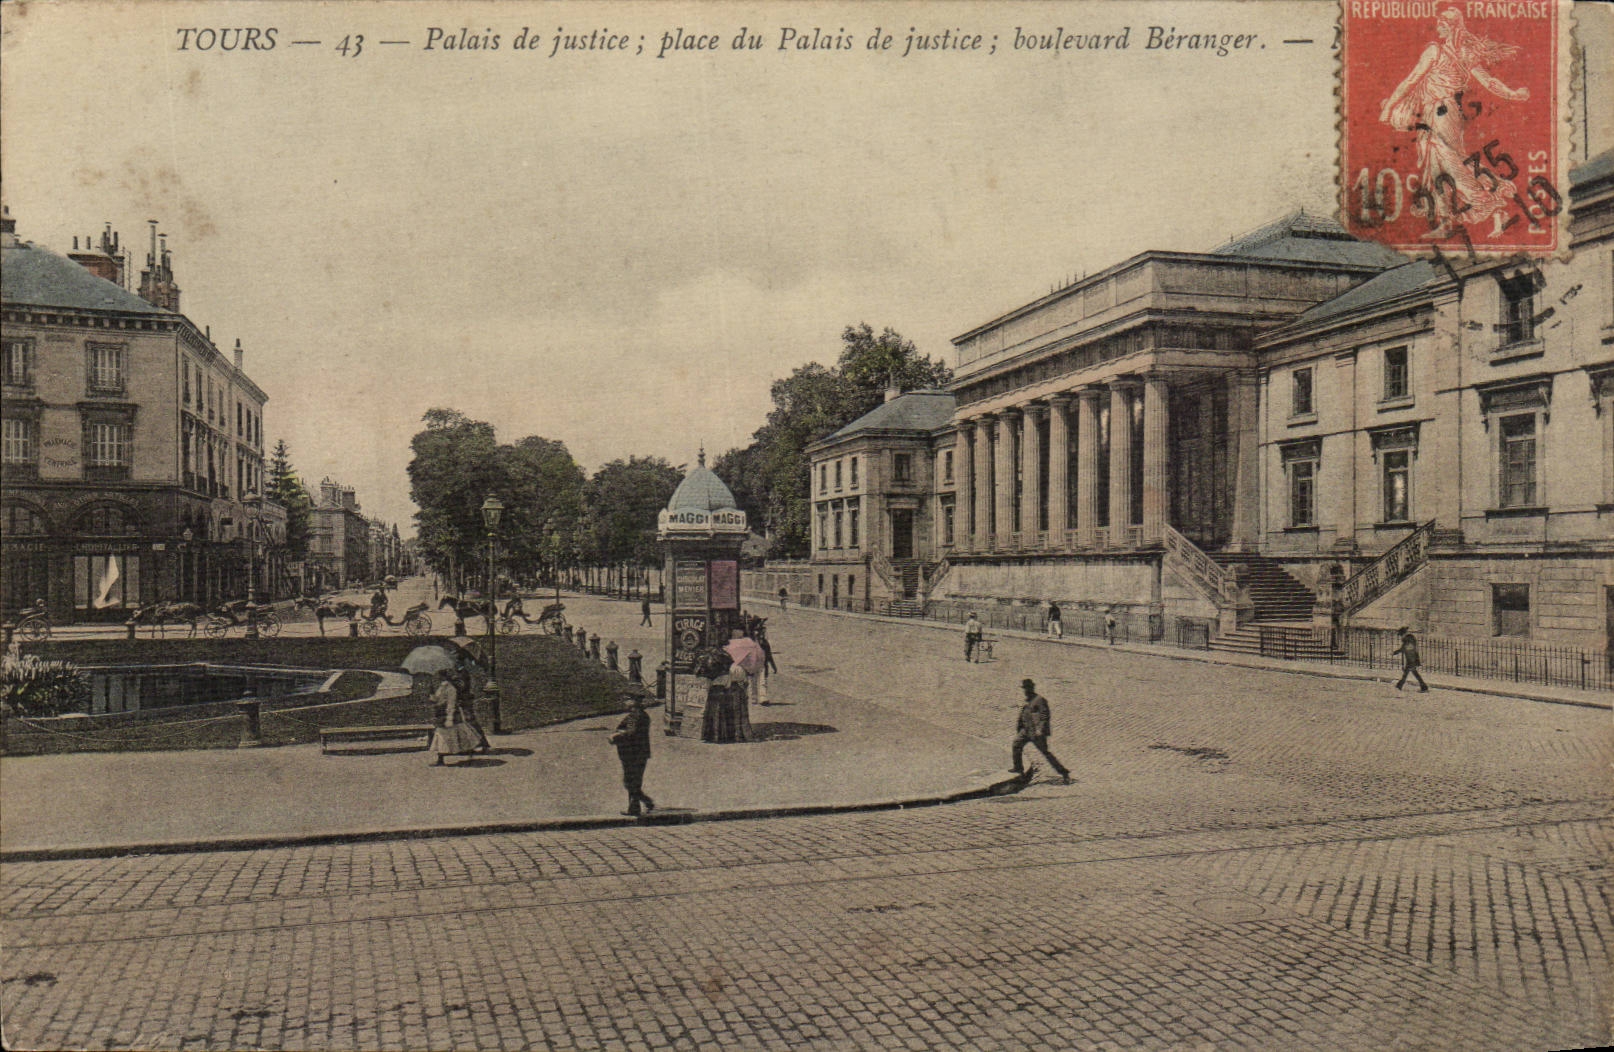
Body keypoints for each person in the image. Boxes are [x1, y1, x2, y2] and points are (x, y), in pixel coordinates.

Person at [1379, 7, 1529, 240]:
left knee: (1450, 164)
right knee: (1438, 166)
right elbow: (1489, 82)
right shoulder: (1464, 54)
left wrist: (1389, 107)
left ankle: (1489, 202)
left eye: (1441, 24)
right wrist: (1513, 94)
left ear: (1450, 27)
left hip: (1441, 113)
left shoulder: (1435, 51)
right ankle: (1450, 220)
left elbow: (1411, 80)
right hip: (1440, 113)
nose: (1437, 27)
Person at [1012, 678, 1071, 785]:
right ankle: (1018, 769)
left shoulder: (1040, 700)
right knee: (1016, 745)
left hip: (1036, 733)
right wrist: (1020, 727)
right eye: (1024, 688)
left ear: (1032, 688)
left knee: (1045, 753)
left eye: (1027, 688)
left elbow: (1044, 716)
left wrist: (1040, 730)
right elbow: (1023, 714)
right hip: (1026, 730)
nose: (1025, 691)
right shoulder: (1026, 700)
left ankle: (1064, 772)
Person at [608, 694, 656, 816]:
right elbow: (623, 728)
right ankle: (642, 804)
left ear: (634, 702)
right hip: (634, 752)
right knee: (632, 781)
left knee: (630, 781)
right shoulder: (635, 715)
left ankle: (639, 805)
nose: (625, 702)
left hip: (634, 753)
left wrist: (616, 736)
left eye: (628, 700)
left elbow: (632, 734)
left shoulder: (637, 716)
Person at [427, 669, 482, 766]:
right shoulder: (441, 687)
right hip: (441, 713)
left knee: (457, 734)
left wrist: (449, 717)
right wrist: (431, 694)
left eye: (440, 675)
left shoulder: (450, 688)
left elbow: (451, 703)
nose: (438, 677)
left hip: (450, 714)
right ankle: (441, 758)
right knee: (443, 735)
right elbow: (437, 700)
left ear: (444, 676)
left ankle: (468, 754)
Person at [1394, 626, 1429, 692]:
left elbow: (1404, 649)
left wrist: (1395, 652)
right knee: (1412, 673)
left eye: (1401, 635)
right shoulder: (1409, 638)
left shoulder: (1408, 639)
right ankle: (1400, 685)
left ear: (1403, 634)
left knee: (1408, 673)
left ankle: (1400, 685)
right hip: (1412, 658)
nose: (1400, 637)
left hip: (1411, 659)